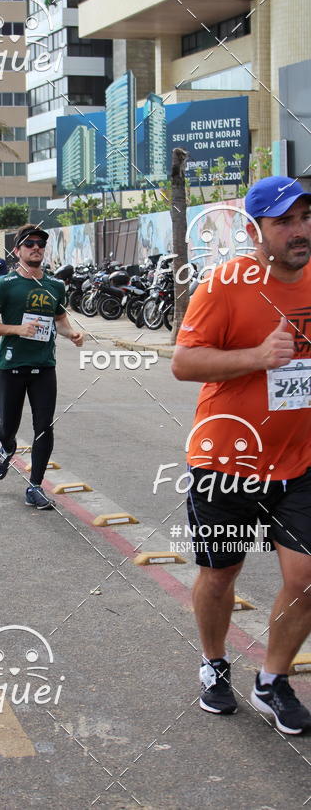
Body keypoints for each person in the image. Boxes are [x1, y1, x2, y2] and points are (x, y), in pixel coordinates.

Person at [172, 175, 311, 735]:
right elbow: (184, 362)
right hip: (226, 461)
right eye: (285, 222)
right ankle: (212, 661)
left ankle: (272, 681)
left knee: (306, 577)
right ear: (257, 231)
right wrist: (257, 356)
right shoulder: (227, 284)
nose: (300, 231)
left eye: (305, 217)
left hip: (299, 462)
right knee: (220, 573)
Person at [0, 224, 83, 509]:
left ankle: (35, 486)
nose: (36, 247)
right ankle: (8, 446)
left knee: (44, 428)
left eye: (40, 243)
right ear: (17, 251)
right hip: (12, 368)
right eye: (29, 244)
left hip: (44, 368)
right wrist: (18, 329)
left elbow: (60, 321)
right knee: (8, 426)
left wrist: (71, 333)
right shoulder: (6, 285)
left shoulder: (55, 286)